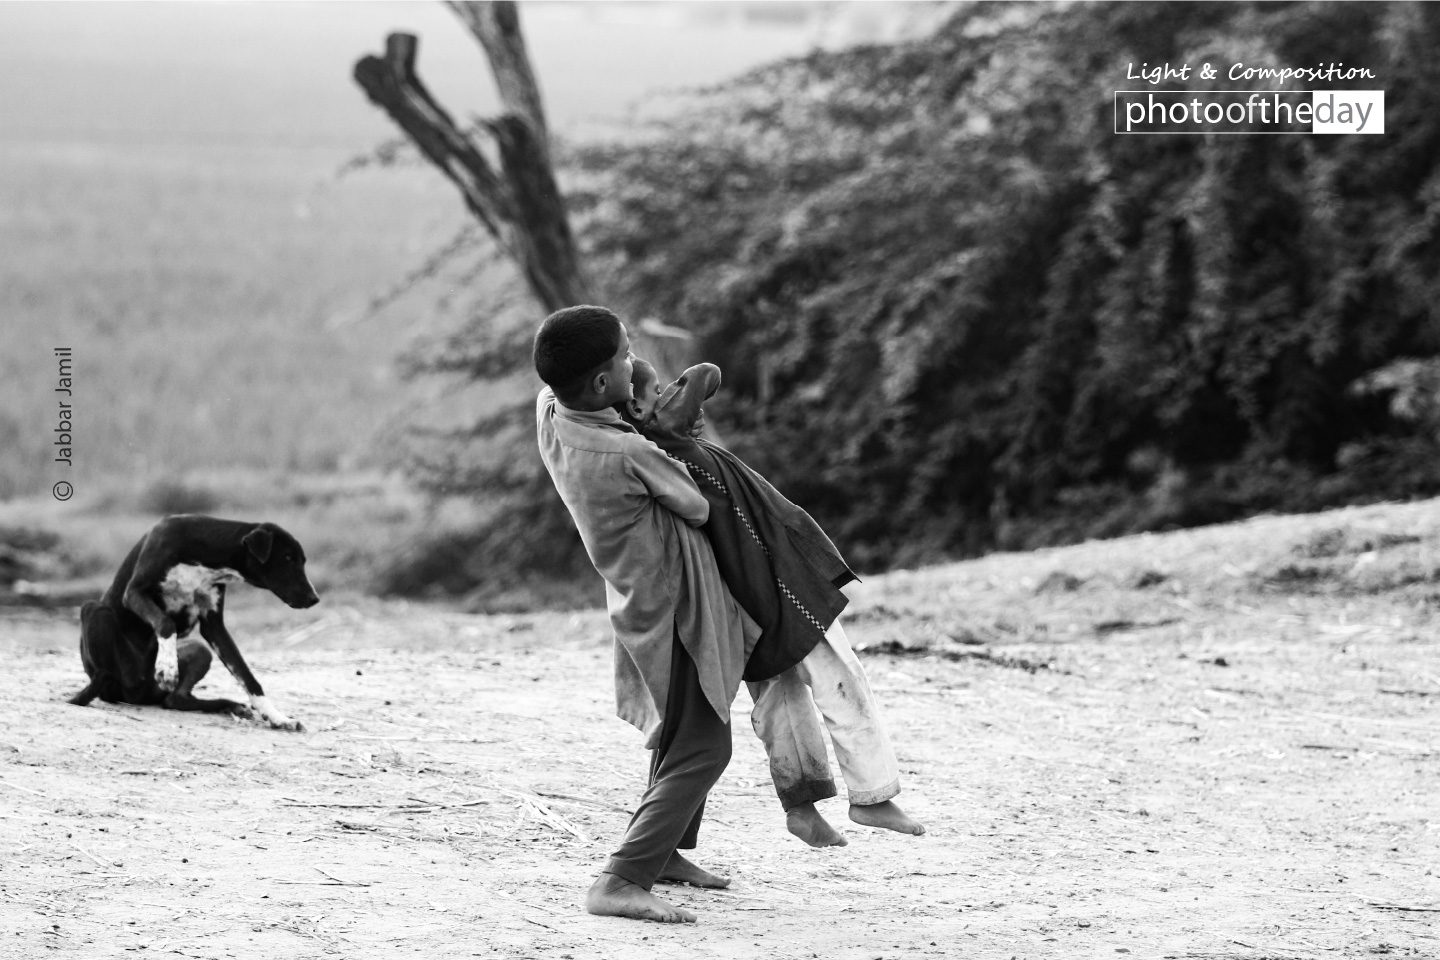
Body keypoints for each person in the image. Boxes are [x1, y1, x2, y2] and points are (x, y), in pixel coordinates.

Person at [618, 357, 925, 848]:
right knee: (841, 675)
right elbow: (707, 372)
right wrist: (675, 395)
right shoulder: (661, 438)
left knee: (782, 698)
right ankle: (873, 795)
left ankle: (801, 806)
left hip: (741, 601)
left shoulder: (653, 447)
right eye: (659, 389)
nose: (670, 392)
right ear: (637, 403)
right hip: (780, 589)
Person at [533, 305, 761, 924]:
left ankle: (664, 854)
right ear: (606, 384)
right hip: (675, 610)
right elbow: (694, 504)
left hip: (636, 600)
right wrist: (657, 415)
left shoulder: (551, 416)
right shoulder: (627, 450)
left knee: (678, 730)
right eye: (627, 353)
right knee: (706, 746)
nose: (637, 359)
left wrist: (628, 383)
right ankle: (622, 878)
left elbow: (569, 383)